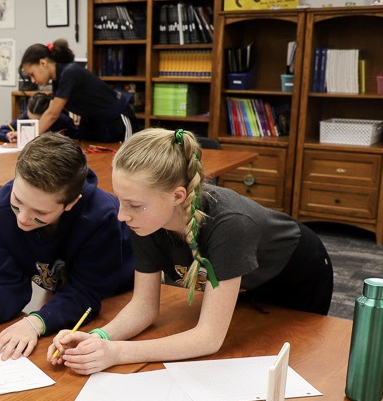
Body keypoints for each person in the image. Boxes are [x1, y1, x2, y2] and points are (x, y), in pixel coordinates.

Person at [48, 128, 334, 373]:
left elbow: (209, 338)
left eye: (134, 204)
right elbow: (144, 307)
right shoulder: (148, 219)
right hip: (242, 282)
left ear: (177, 196)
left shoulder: (230, 224)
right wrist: (98, 337)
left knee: (292, 366)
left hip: (295, 279)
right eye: (121, 201)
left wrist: (116, 353)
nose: (122, 215)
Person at [0, 134, 134, 360]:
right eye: (17, 201)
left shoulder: (100, 217)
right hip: (60, 294)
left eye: (40, 213)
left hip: (117, 298)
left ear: (72, 202)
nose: (23, 219)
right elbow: (6, 281)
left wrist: (36, 323)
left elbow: (87, 291)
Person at [19, 39, 140, 143]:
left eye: (32, 74)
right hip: (95, 124)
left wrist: (29, 138)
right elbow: (50, 111)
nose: (33, 80)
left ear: (43, 63)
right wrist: (24, 134)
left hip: (116, 120)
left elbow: (52, 114)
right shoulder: (58, 80)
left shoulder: (69, 73)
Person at [0, 91, 78, 143]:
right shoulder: (25, 117)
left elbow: (76, 137)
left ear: (48, 114)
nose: (33, 124)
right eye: (30, 119)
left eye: (38, 121)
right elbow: (2, 130)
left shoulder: (62, 120)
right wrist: (7, 135)